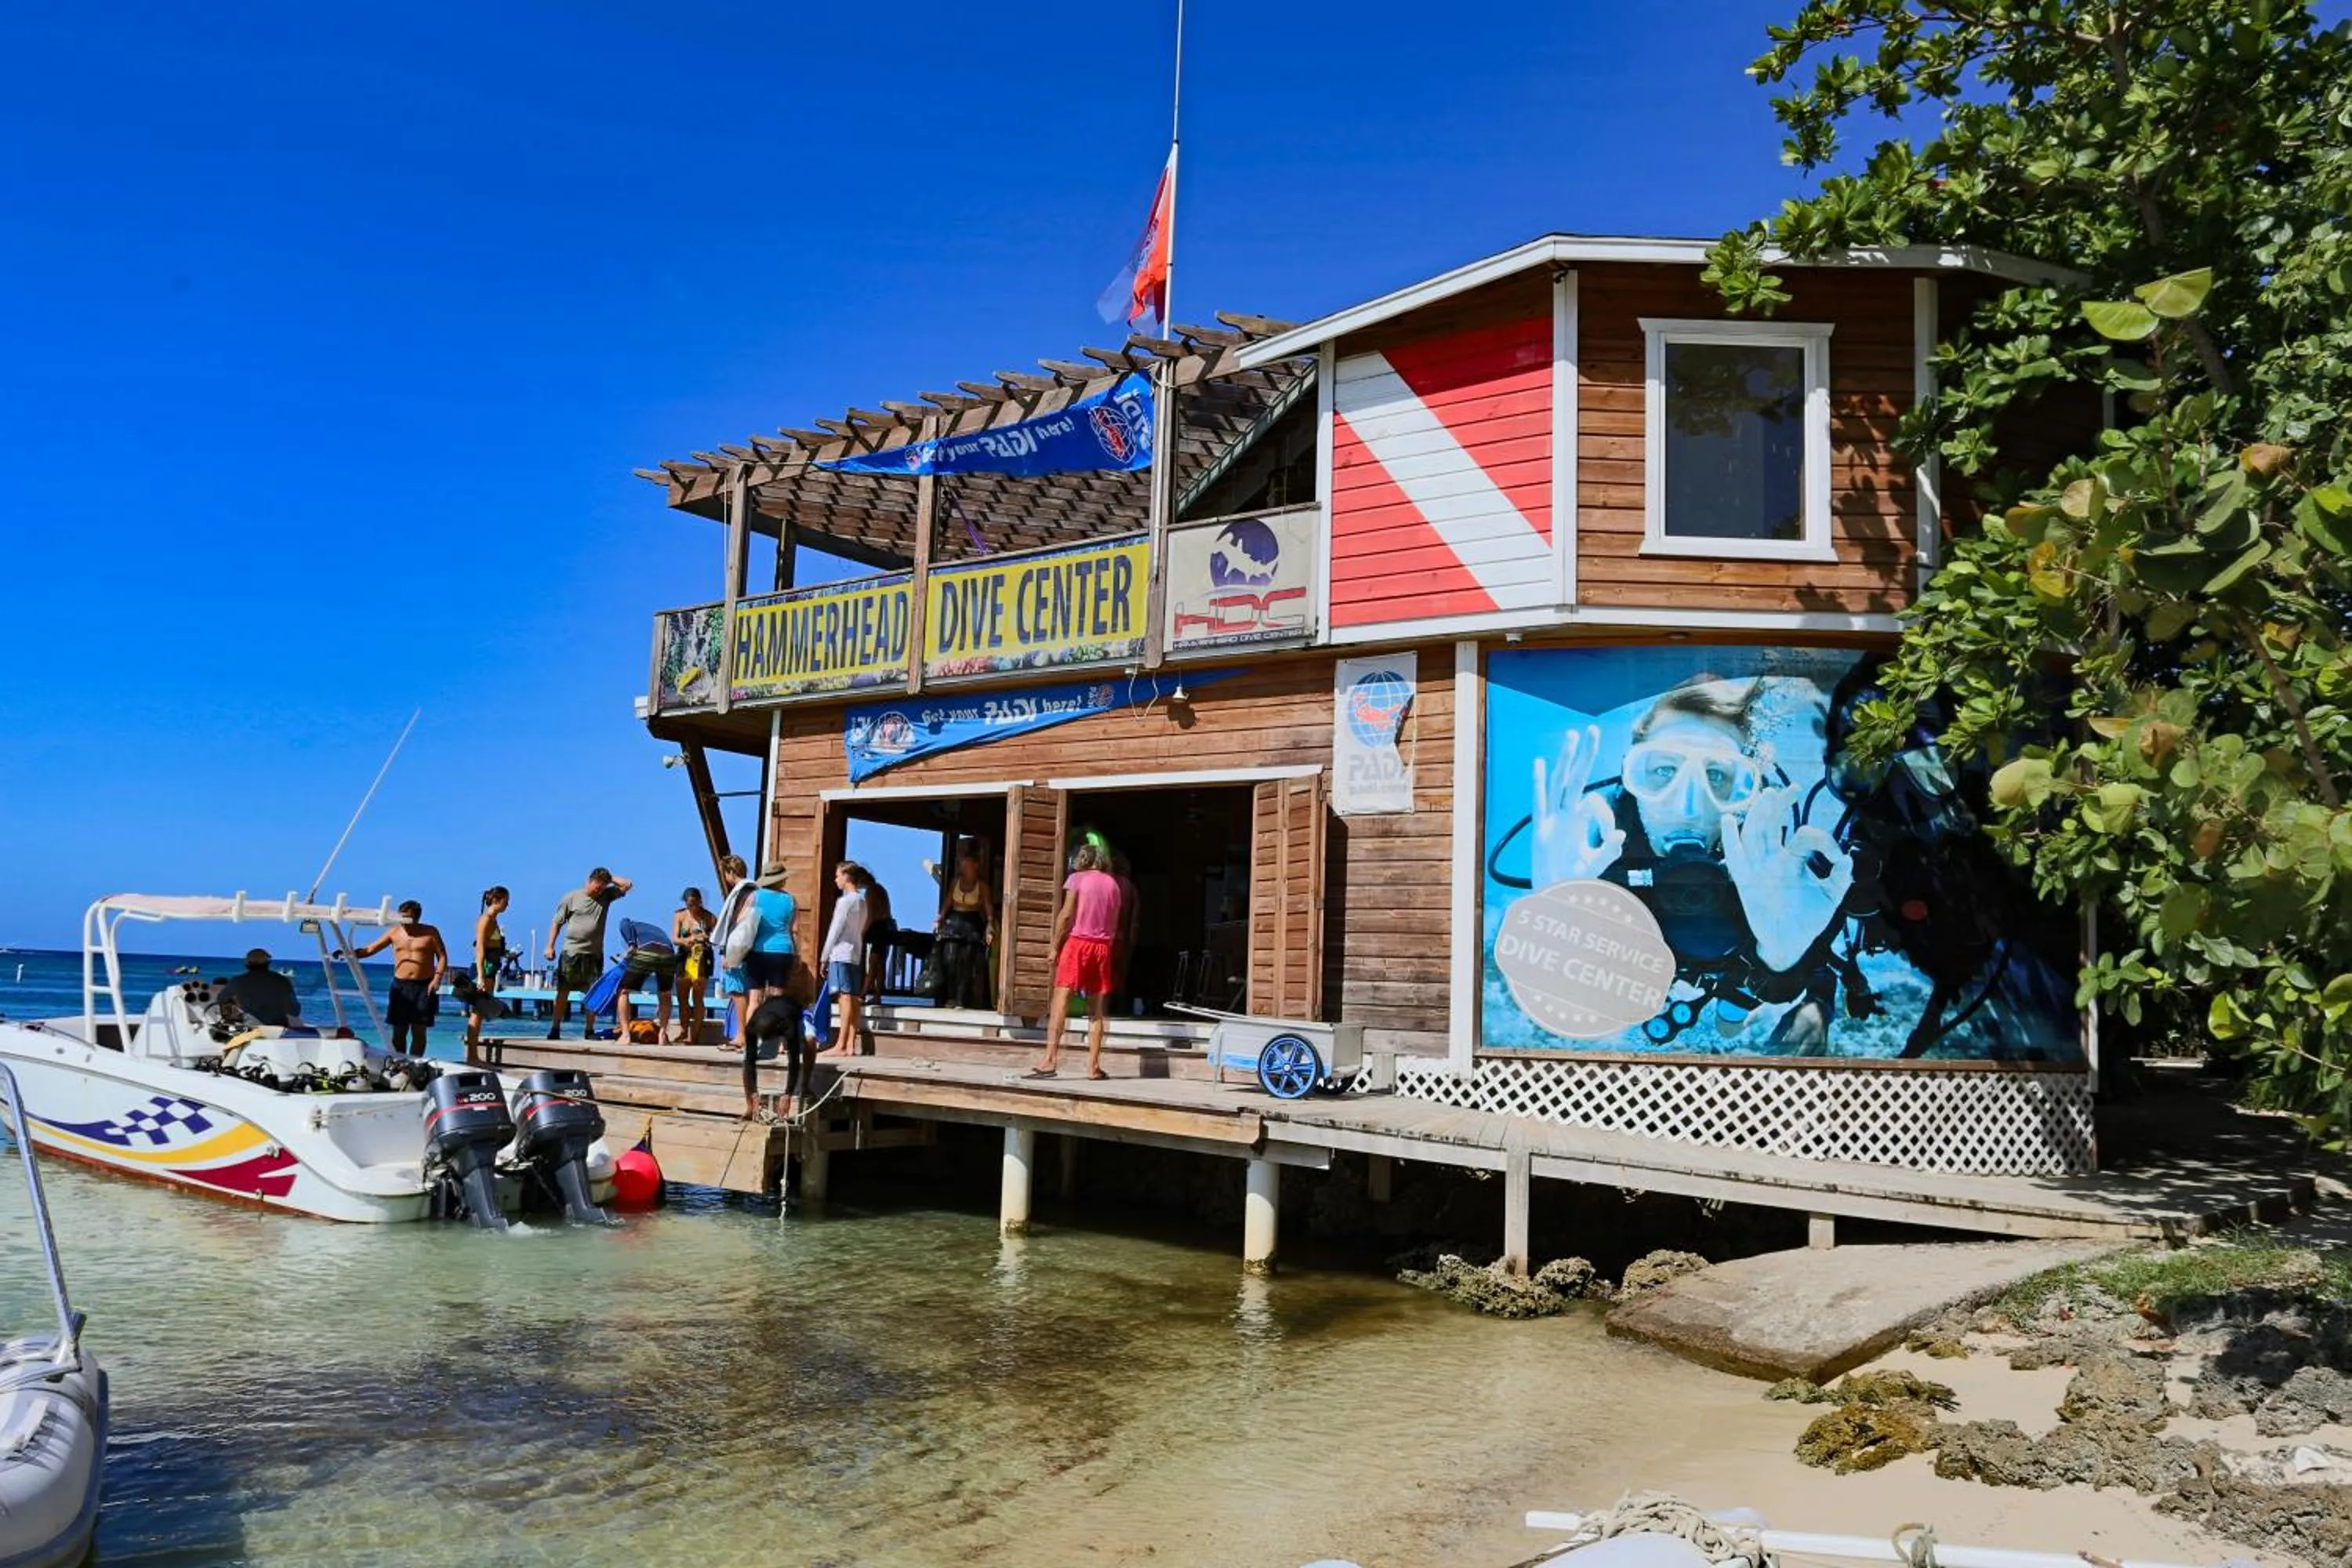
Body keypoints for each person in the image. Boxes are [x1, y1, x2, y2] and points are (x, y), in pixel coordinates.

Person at [1028, 844, 1126, 1080]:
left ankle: (1050, 1060)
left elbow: (1066, 915)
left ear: (1084, 860)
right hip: (1102, 947)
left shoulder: (1077, 879)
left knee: (1060, 1001)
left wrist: (1054, 946)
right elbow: (1113, 926)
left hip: (1078, 944)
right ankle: (1093, 1066)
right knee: (1097, 1010)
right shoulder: (1114, 885)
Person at [350, 900, 448, 1057]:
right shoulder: (394, 932)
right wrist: (349, 953)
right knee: (399, 1030)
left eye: (408, 918)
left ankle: (415, 1063)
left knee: (419, 1030)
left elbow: (442, 957)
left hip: (424, 986)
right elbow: (370, 949)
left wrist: (437, 979)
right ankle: (399, 1062)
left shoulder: (430, 932)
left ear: (417, 917)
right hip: (400, 986)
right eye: (402, 917)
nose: (404, 922)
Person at [545, 868, 631, 1040]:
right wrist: (550, 946)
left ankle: (589, 1030)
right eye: (597, 887)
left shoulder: (606, 896)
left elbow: (628, 884)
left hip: (594, 954)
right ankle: (555, 1028)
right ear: (589, 881)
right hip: (572, 953)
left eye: (602, 887)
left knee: (593, 992)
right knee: (563, 992)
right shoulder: (571, 898)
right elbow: (556, 923)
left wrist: (609, 878)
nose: (598, 891)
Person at [932, 844, 996, 1009]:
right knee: (950, 959)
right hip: (954, 921)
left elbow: (988, 908)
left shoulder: (982, 886)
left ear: (975, 865)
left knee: (967, 962)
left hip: (972, 923)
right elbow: (948, 901)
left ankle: (961, 999)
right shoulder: (955, 882)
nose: (963, 866)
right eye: (962, 863)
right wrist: (939, 918)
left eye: (967, 863)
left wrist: (990, 926)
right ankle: (950, 996)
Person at [818, 862, 871, 1055]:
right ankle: (850, 1044)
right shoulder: (862, 901)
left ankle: (840, 1044)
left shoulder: (845, 901)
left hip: (841, 952)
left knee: (844, 997)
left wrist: (824, 957)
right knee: (854, 998)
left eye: (838, 875)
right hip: (856, 951)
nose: (836, 879)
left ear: (846, 877)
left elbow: (835, 930)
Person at [742, 996, 812, 1123]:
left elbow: (794, 1061)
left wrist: (787, 1094)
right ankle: (750, 1106)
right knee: (747, 1060)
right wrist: (754, 1092)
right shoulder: (752, 1026)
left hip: (796, 1011)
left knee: (810, 1039)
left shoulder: (788, 1026)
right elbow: (749, 1061)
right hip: (770, 1014)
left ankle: (805, 1085)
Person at [710, 854, 753, 1047]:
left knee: (737, 991)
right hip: (749, 948)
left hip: (738, 947)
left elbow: (738, 923)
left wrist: (731, 952)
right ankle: (744, 1035)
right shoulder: (754, 890)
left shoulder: (741, 892)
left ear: (730, 872)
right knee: (747, 992)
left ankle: (741, 1035)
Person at [462, 887, 510, 1058]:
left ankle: (473, 1055)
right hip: (484, 969)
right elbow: (480, 948)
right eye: (506, 900)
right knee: (478, 1012)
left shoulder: (494, 920)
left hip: (492, 969)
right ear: (497, 899)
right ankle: (472, 1056)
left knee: (481, 1012)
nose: (508, 904)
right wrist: (481, 976)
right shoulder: (486, 919)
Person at [613, 916, 678, 1041]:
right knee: (665, 994)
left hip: (648, 949)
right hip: (669, 953)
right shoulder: (656, 931)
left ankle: (626, 1035)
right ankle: (662, 1035)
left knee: (623, 991)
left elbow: (623, 922)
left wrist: (631, 944)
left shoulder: (631, 924)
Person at [213, 948, 302, 1028]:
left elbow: (222, 999)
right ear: (268, 963)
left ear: (247, 964)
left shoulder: (237, 981)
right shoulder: (282, 981)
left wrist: (234, 1014)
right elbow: (294, 1011)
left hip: (251, 1029)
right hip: (279, 1030)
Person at [673, 887, 717, 1044]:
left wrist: (706, 938)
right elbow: (675, 938)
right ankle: (684, 1031)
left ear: (700, 901)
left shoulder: (709, 917)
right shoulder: (680, 915)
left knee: (698, 998)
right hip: (684, 957)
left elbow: (717, 938)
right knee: (682, 998)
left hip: (701, 959)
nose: (692, 907)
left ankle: (694, 1035)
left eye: (694, 903)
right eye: (688, 904)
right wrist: (687, 940)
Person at [861, 876, 896, 1006]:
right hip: (886, 927)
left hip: (878, 928)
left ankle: (863, 994)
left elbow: (871, 915)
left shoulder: (870, 891)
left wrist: (863, 932)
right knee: (881, 965)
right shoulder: (881, 889)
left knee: (873, 964)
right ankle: (877, 995)